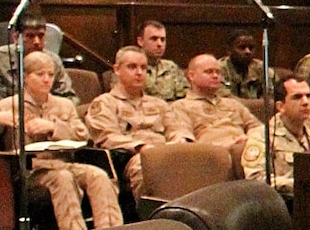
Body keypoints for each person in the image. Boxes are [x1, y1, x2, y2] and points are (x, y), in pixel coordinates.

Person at [0, 50, 122, 230]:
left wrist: (53, 128)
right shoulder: (8, 105)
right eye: (40, 75)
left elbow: (83, 135)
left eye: (50, 74)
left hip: (63, 163)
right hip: (30, 171)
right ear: (25, 77)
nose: (47, 79)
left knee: (98, 175)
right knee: (62, 178)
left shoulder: (64, 105)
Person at [85, 45, 173, 197]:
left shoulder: (159, 104)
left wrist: (178, 143)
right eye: (132, 67)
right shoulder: (105, 103)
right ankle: (154, 217)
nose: (139, 73)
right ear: (117, 70)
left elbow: (176, 128)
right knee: (146, 166)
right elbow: (106, 137)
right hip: (132, 158)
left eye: (144, 68)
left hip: (166, 152)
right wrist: (141, 147)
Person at [243, 74, 310, 197]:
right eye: (297, 97)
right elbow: (255, 179)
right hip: (283, 204)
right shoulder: (262, 137)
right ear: (280, 106)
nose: (305, 102)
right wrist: (302, 184)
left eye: (308, 96)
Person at [165, 54, 263, 152]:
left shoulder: (233, 104)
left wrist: (251, 137)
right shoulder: (181, 106)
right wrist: (226, 146)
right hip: (212, 155)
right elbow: (184, 140)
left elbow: (257, 127)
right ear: (191, 76)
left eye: (218, 72)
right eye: (209, 72)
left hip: (246, 149)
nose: (215, 76)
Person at [0, 10, 78, 107]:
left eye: (41, 36)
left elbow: (69, 97)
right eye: (30, 36)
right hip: (8, 117)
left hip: (48, 115)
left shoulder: (53, 60)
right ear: (16, 38)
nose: (36, 42)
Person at [137, 20, 189, 102]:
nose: (159, 44)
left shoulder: (171, 67)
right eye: (154, 39)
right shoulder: (132, 67)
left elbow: (184, 98)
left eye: (162, 39)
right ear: (140, 41)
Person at [217, 31, 266, 99]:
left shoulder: (261, 67)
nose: (248, 51)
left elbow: (271, 100)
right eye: (242, 47)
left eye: (251, 48)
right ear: (229, 50)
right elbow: (226, 101)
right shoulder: (218, 69)